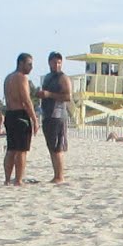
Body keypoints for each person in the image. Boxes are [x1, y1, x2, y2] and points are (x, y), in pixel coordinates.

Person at [2, 54, 38, 186]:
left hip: (10, 114)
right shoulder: (21, 78)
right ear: (21, 63)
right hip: (20, 115)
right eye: (29, 64)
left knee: (11, 149)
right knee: (22, 150)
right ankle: (18, 180)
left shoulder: (8, 78)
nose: (31, 67)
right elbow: (26, 100)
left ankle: (7, 179)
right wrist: (34, 119)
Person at [38, 51, 73, 184]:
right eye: (54, 62)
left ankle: (60, 176)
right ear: (49, 62)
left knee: (58, 147)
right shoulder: (47, 77)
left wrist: (49, 94)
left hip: (58, 115)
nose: (57, 65)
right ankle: (56, 175)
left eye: (59, 62)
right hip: (47, 115)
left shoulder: (63, 78)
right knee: (51, 146)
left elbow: (68, 97)